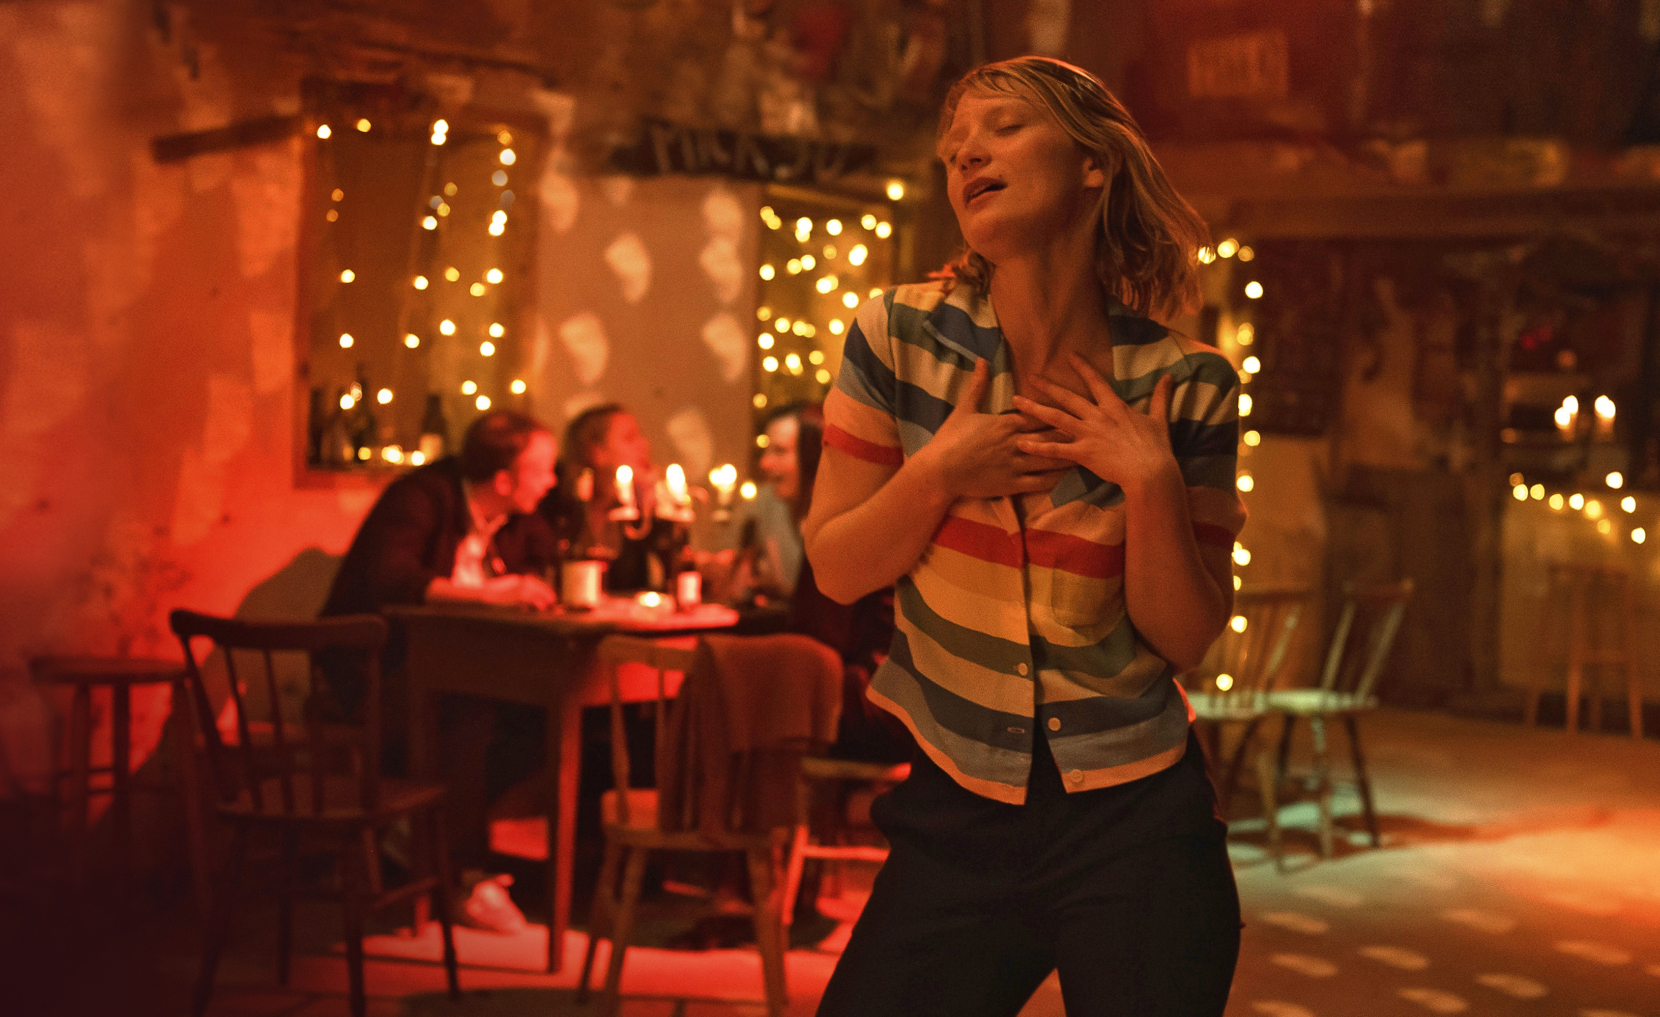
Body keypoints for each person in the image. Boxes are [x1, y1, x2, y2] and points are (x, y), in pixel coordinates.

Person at [806, 57, 1247, 1016]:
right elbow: (836, 568)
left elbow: (1184, 635)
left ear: (1094, 162)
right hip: (954, 811)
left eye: (1003, 127)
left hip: (1138, 827)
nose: (967, 154)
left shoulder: (1188, 382)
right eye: (954, 149)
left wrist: (1151, 481)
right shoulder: (898, 338)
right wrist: (938, 474)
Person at [318, 409, 558, 930]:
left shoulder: (514, 520)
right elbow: (391, 579)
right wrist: (488, 596)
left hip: (451, 677)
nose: (552, 481)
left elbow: (550, 558)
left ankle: (417, 834)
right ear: (503, 480)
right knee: (465, 708)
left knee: (548, 715)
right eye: (542, 470)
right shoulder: (421, 498)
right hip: (370, 673)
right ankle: (465, 875)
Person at [541, 403, 680, 592]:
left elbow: (670, 571)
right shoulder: (551, 504)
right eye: (630, 438)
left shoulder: (637, 514)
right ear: (595, 451)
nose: (643, 444)